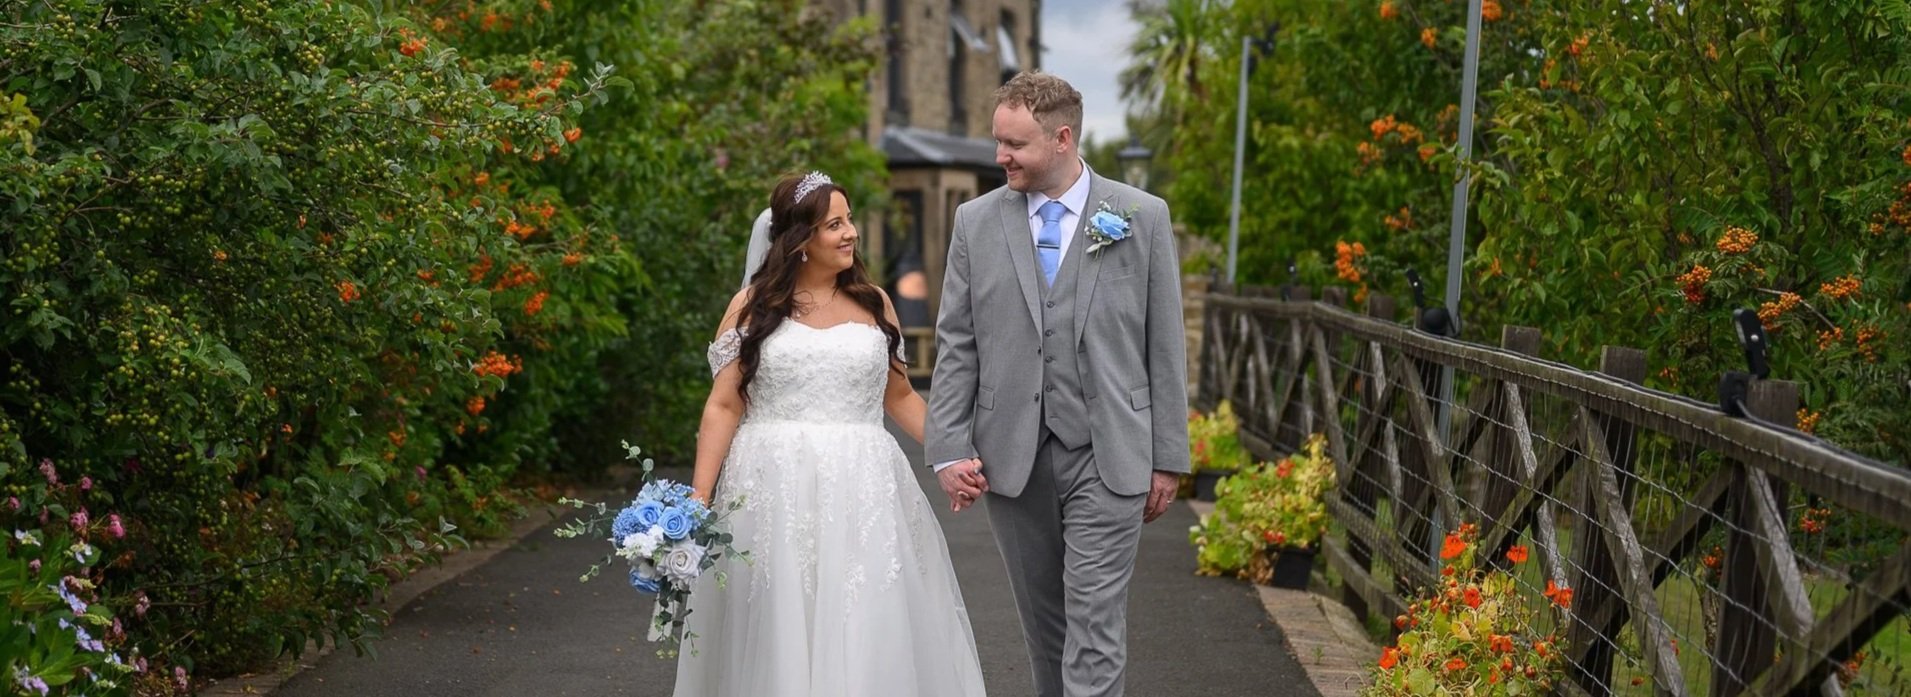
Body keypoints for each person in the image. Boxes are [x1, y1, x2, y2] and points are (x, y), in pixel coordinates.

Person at [926, 71, 1190, 697]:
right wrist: (948, 447)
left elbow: (1165, 344)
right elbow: (957, 341)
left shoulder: (1142, 216)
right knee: (1045, 629)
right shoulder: (975, 222)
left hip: (1111, 452)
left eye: (1015, 144)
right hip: (1011, 456)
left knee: (1095, 626)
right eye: (998, 140)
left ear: (1062, 138)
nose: (1001, 156)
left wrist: (1168, 456)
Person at [675, 172, 987, 697]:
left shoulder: (874, 303)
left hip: (863, 487)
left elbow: (900, 397)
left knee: (867, 618)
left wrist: (954, 454)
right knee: (778, 623)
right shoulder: (751, 308)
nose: (851, 233)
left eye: (849, 220)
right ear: (800, 239)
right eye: (834, 225)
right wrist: (698, 500)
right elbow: (724, 406)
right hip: (771, 489)